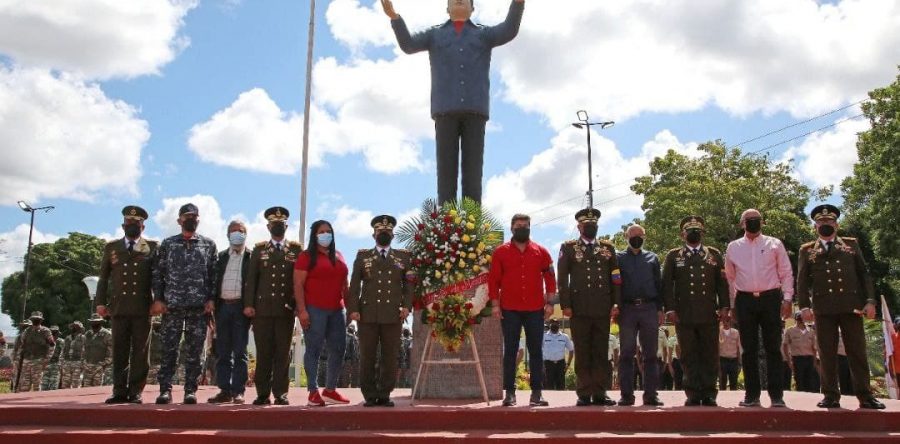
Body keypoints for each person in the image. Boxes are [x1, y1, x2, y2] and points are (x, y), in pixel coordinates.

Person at [382, 0, 525, 204]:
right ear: (446, 8)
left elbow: (509, 30)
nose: (458, 0)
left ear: (472, 8)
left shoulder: (483, 34)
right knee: (445, 172)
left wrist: (518, 3)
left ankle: (472, 224)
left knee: (473, 172)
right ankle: (446, 226)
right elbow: (409, 45)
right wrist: (394, 17)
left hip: (475, 109)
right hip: (444, 110)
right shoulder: (435, 34)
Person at [797, 204, 884, 409]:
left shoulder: (851, 245)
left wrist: (870, 301)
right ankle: (830, 395)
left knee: (857, 351)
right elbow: (802, 281)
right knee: (826, 353)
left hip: (850, 306)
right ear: (815, 226)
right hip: (823, 307)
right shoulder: (807, 249)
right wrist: (804, 307)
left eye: (829, 221)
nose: (825, 224)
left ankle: (865, 395)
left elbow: (864, 274)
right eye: (820, 222)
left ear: (836, 224)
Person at [724, 208, 793, 407]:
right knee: (748, 349)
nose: (753, 222)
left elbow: (786, 272)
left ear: (762, 222)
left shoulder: (775, 243)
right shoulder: (733, 247)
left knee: (773, 347)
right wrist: (731, 305)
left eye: (756, 219)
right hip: (744, 300)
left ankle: (777, 395)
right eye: (748, 219)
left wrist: (787, 299)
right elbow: (730, 278)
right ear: (741, 224)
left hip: (771, 298)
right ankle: (751, 395)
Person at [151, 203, 218, 405]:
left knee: (194, 351)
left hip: (198, 307)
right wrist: (159, 299)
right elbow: (158, 273)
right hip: (172, 306)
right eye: (187, 216)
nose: (191, 220)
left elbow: (214, 275)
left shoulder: (208, 245)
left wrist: (211, 299)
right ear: (179, 220)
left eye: (195, 217)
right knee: (169, 349)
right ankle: (165, 390)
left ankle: (190, 390)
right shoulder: (168, 244)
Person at [662, 216, 730, 407]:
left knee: (710, 353)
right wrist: (670, 309)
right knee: (689, 354)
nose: (694, 234)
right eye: (690, 230)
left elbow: (721, 284)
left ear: (703, 233)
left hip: (709, 312)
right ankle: (692, 392)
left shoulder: (714, 254)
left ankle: (709, 393)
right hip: (684, 314)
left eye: (697, 231)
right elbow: (667, 285)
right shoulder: (674, 256)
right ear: (682, 234)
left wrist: (724, 307)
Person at [489, 213, 556, 407]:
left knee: (536, 352)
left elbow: (550, 278)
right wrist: (495, 304)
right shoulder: (500, 252)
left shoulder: (541, 251)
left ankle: (537, 393)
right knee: (510, 351)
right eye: (518, 226)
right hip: (509, 309)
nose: (522, 229)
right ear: (511, 228)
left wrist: (550, 303)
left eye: (526, 226)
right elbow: (493, 280)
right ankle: (509, 393)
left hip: (535, 309)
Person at [348, 215, 414, 407]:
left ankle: (384, 393)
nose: (383, 234)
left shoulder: (403, 257)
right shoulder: (363, 256)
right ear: (373, 234)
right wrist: (353, 309)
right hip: (367, 314)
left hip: (393, 314)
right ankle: (369, 394)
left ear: (393, 235)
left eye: (387, 231)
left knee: (390, 355)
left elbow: (409, 285)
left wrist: (406, 306)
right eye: (380, 231)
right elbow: (354, 286)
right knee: (367, 355)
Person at [557, 208, 621, 407]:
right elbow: (562, 278)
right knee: (583, 351)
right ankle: (584, 393)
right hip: (579, 308)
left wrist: (616, 303)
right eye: (587, 225)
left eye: (594, 225)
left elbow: (616, 278)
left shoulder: (608, 248)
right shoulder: (568, 248)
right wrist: (565, 304)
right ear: (579, 227)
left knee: (601, 351)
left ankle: (601, 392)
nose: (590, 227)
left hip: (602, 307)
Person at [95, 205, 157, 403]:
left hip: (142, 307)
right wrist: (100, 303)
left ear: (143, 226)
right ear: (123, 225)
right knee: (119, 349)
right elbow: (103, 278)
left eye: (136, 223)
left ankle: (136, 391)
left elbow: (158, 278)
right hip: (119, 306)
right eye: (129, 223)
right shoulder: (112, 247)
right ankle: (119, 390)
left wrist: (158, 301)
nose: (132, 226)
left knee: (140, 351)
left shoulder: (152, 247)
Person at [244, 207, 303, 406]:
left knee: (282, 353)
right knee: (264, 353)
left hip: (285, 310)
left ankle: (280, 393)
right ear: (268, 226)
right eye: (274, 224)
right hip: (262, 310)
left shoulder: (295, 250)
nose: (278, 226)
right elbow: (251, 279)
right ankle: (262, 393)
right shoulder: (260, 250)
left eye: (281, 224)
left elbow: (299, 281)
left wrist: (297, 304)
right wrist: (249, 305)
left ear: (286, 226)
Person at [295, 219, 351, 406]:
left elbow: (345, 285)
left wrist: (350, 309)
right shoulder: (306, 256)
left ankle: (330, 390)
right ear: (314, 235)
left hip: (337, 310)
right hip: (314, 309)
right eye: (321, 231)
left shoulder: (339, 255)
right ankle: (312, 391)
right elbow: (298, 285)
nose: (326, 234)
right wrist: (302, 311)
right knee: (314, 349)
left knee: (338, 349)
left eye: (329, 231)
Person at [616, 224, 664, 406]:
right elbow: (615, 285)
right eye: (632, 235)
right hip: (627, 310)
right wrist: (616, 306)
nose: (636, 238)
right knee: (626, 354)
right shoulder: (618, 258)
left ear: (645, 237)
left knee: (651, 354)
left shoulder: (653, 258)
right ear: (626, 237)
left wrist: (660, 308)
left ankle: (651, 395)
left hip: (649, 309)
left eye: (640, 235)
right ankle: (626, 395)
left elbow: (659, 284)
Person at [207, 220, 252, 404]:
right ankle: (224, 390)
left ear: (245, 234)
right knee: (223, 351)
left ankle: (238, 391)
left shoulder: (252, 256)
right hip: (223, 307)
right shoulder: (221, 256)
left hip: (242, 307)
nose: (237, 234)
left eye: (240, 231)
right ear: (227, 235)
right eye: (233, 231)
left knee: (240, 351)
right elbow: (213, 280)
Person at [14, 312, 55, 392]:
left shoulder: (45, 331)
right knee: (24, 385)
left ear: (41, 320)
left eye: (37, 319)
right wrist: (18, 360)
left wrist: (46, 359)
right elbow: (22, 346)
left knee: (37, 384)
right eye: (34, 319)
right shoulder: (27, 331)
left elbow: (52, 345)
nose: (35, 320)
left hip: (39, 360)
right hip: (27, 360)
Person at [782, 313, 818, 392]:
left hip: (809, 358)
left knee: (810, 383)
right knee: (799, 382)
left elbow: (814, 348)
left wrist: (814, 361)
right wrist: (789, 361)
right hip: (797, 359)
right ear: (796, 320)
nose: (800, 321)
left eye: (801, 319)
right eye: (799, 319)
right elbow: (785, 346)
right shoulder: (790, 331)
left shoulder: (811, 331)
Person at [542, 319, 573, 391]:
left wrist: (568, 364)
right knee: (549, 386)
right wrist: (542, 364)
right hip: (548, 364)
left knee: (561, 386)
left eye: (556, 323)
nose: (554, 325)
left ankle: (561, 401)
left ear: (559, 325)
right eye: (553, 323)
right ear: (550, 325)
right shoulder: (544, 336)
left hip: (560, 364)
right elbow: (539, 350)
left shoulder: (565, 337)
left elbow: (571, 350)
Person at [82, 314, 112, 387]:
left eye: (96, 322)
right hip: (87, 366)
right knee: (85, 390)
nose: (94, 324)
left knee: (96, 390)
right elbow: (84, 349)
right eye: (92, 322)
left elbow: (111, 352)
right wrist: (83, 361)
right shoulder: (87, 334)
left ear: (100, 322)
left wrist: (103, 364)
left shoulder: (107, 334)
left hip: (100, 367)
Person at [59, 321, 85, 388]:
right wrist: (61, 363)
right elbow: (63, 351)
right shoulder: (67, 338)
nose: (74, 328)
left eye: (76, 327)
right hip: (66, 363)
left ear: (79, 328)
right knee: (65, 384)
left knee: (75, 384)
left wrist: (83, 364)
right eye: (73, 326)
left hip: (77, 363)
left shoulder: (83, 338)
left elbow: (85, 351)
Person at [718, 321, 741, 391]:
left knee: (734, 384)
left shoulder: (736, 332)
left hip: (733, 361)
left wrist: (739, 363)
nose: (726, 322)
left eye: (727, 320)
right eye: (724, 320)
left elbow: (738, 348)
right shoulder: (718, 332)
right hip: (722, 360)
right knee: (722, 384)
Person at [40, 326, 63, 391]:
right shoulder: (45, 342)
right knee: (44, 386)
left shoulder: (61, 342)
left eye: (56, 333)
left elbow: (62, 355)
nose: (55, 335)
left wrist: (60, 366)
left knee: (54, 386)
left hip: (55, 365)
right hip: (46, 365)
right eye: (53, 333)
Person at [147, 318, 162, 384]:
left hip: (157, 362)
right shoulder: (152, 335)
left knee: (155, 382)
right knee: (150, 382)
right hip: (152, 362)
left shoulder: (157, 336)